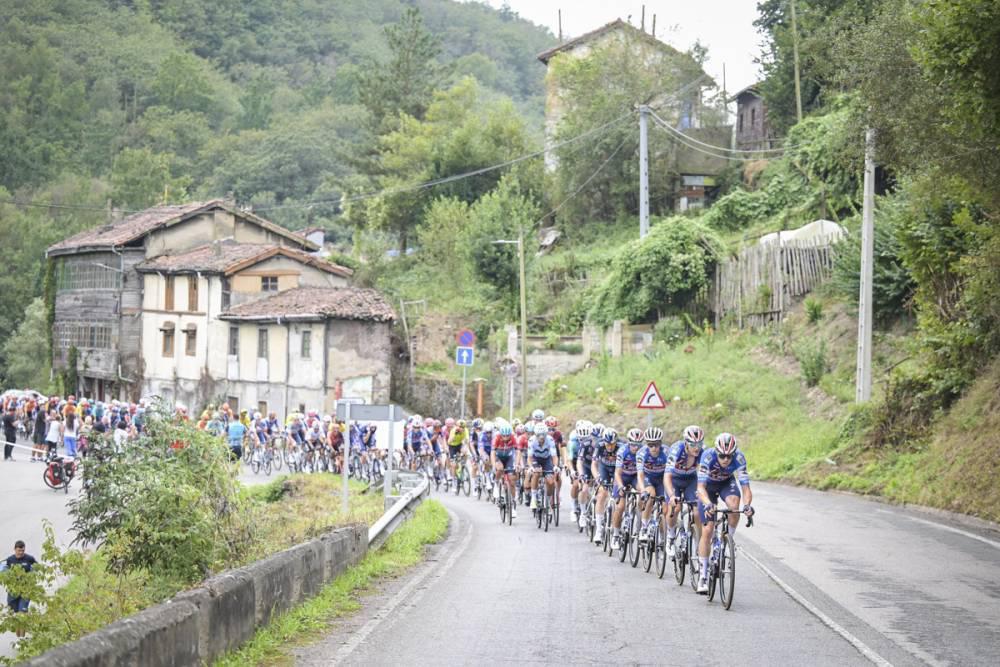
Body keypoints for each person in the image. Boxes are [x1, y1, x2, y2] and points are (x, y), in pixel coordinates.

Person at [695, 433, 754, 594]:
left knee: (735, 506)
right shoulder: (707, 457)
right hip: (707, 487)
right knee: (708, 530)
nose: (726, 459)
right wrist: (707, 504)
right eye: (722, 456)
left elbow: (746, 488)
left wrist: (747, 505)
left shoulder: (739, 458)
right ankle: (703, 576)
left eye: (729, 456)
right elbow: (700, 488)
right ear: (716, 452)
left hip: (726, 483)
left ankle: (728, 541)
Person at [664, 425, 705, 559]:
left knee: (698, 510)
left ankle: (699, 543)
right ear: (686, 442)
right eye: (693, 444)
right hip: (674, 479)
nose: (696, 447)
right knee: (675, 508)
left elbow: (704, 476)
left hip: (691, 480)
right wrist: (671, 495)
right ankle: (670, 537)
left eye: (699, 443)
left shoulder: (702, 453)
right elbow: (667, 476)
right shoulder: (676, 450)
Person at [636, 427, 669, 543]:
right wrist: (642, 490)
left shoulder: (666, 452)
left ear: (661, 443)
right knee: (651, 495)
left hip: (661, 479)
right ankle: (644, 528)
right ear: (646, 444)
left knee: (666, 509)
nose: (654, 448)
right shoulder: (641, 453)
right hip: (647, 477)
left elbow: (671, 474)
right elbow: (640, 475)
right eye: (650, 445)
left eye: (656, 444)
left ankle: (662, 534)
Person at [611, 429, 642, 550]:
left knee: (644, 493)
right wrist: (620, 486)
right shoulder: (622, 451)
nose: (636, 447)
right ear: (629, 443)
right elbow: (617, 473)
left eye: (639, 445)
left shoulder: (643, 452)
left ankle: (640, 519)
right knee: (620, 506)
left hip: (635, 476)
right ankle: (616, 534)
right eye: (633, 444)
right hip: (622, 477)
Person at [2, 540, 37, 637]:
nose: (21, 553)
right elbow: (3, 570)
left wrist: (31, 574)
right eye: (19, 551)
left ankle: (22, 639)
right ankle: (19, 639)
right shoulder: (9, 560)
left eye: (23, 550)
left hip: (25, 591)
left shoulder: (29, 559)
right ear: (15, 550)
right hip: (13, 592)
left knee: (22, 615)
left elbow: (36, 568)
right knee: (17, 617)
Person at [592, 428, 619, 545]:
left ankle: (616, 527)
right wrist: (597, 477)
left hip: (617, 469)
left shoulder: (621, 446)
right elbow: (594, 464)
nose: (609, 447)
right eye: (607, 444)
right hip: (604, 469)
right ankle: (598, 530)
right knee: (602, 493)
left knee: (618, 497)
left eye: (612, 444)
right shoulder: (599, 445)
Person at [527, 423, 558, 512]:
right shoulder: (531, 440)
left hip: (547, 459)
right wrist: (531, 467)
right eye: (539, 435)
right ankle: (533, 498)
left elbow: (554, 456)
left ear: (546, 434)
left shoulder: (550, 440)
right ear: (535, 434)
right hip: (536, 458)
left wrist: (555, 466)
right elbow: (529, 457)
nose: (541, 437)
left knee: (551, 482)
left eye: (543, 435)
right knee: (536, 473)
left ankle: (547, 502)